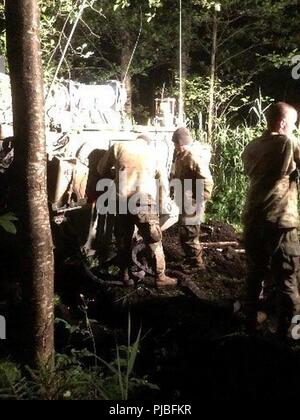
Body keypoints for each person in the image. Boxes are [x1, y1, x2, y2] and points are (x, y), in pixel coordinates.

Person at [242, 102, 300, 338]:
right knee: (287, 277)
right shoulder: (288, 142)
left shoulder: (253, 145)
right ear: (284, 123)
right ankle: (290, 333)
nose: (294, 129)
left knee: (255, 272)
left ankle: (251, 322)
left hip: (253, 218)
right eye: (294, 124)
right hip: (279, 220)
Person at [97, 133, 177, 287]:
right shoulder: (153, 153)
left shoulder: (118, 146)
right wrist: (162, 202)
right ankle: (160, 277)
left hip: (120, 199)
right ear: (147, 143)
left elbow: (101, 169)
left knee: (122, 239)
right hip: (142, 200)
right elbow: (163, 182)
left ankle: (125, 275)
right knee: (153, 238)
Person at [171, 127, 214, 270]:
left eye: (176, 144)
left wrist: (200, 199)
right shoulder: (180, 156)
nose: (175, 147)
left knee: (190, 233)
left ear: (181, 143)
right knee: (185, 231)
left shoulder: (193, 157)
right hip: (185, 198)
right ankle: (190, 258)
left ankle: (197, 263)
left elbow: (207, 180)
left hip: (193, 201)